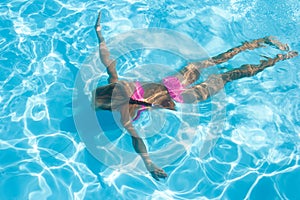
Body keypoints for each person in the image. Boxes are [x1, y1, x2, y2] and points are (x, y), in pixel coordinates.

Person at [92, 12, 298, 180]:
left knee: (224, 68)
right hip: (178, 86)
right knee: (225, 67)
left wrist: (99, 35)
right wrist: (149, 163)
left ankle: (270, 51)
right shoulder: (119, 98)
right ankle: (270, 50)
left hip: (179, 90)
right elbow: (136, 139)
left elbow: (108, 61)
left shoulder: (119, 99)